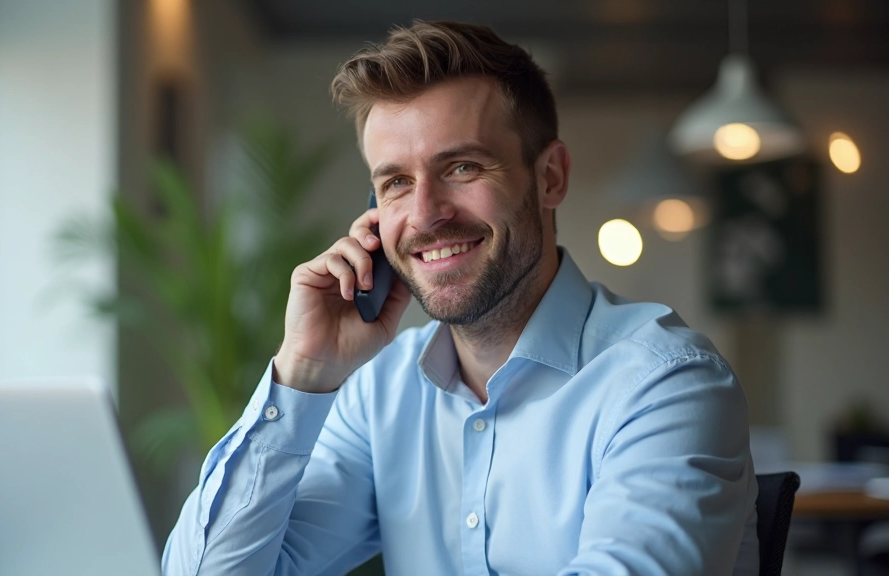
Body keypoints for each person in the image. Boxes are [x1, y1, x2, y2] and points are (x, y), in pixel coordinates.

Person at [162, 20, 758, 576]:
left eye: (463, 167)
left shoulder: (665, 384)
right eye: (396, 182)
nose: (424, 215)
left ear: (550, 177)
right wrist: (302, 373)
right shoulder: (381, 393)